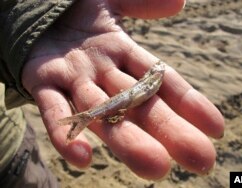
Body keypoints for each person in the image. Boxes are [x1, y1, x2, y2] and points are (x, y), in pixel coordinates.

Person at [0, 0, 225, 187]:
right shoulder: (154, 76)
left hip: (9, 148)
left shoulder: (154, 77)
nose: (159, 70)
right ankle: (82, 119)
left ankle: (83, 119)